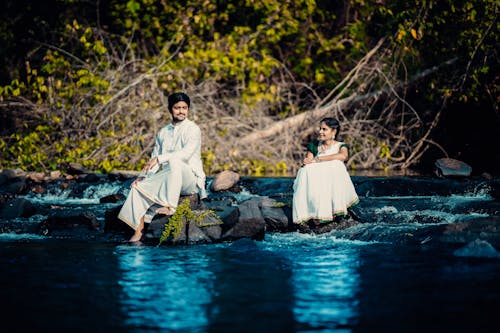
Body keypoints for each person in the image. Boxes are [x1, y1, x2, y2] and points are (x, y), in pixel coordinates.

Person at [118, 92, 207, 242]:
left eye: (184, 108)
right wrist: (142, 176)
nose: (181, 111)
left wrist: (160, 158)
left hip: (189, 180)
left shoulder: (193, 129)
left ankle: (171, 206)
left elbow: (184, 155)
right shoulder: (163, 132)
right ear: (170, 109)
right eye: (177, 107)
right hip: (168, 176)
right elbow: (153, 159)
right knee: (137, 187)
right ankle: (138, 232)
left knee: (175, 161)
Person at [292, 117, 359, 225]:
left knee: (337, 164)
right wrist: (307, 161)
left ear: (334, 131)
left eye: (324, 129)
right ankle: (312, 211)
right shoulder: (314, 145)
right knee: (306, 169)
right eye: (320, 129)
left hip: (332, 180)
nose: (320, 132)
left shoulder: (340, 146)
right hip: (318, 182)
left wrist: (319, 159)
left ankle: (337, 210)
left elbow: (343, 156)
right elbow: (309, 161)